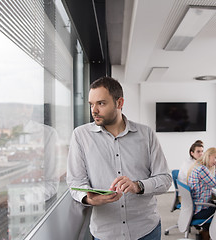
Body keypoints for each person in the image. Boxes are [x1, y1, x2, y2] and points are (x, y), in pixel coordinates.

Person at [66, 76, 172, 240]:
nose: (94, 110)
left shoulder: (146, 134)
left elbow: (165, 179)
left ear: (119, 103)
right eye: (91, 104)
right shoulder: (80, 136)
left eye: (101, 103)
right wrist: (88, 198)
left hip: (146, 230)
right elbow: (75, 181)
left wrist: (138, 186)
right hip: (105, 233)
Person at [187, 147, 216, 231]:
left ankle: (206, 231)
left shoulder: (197, 166)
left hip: (193, 208)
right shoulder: (202, 169)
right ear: (209, 156)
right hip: (200, 210)